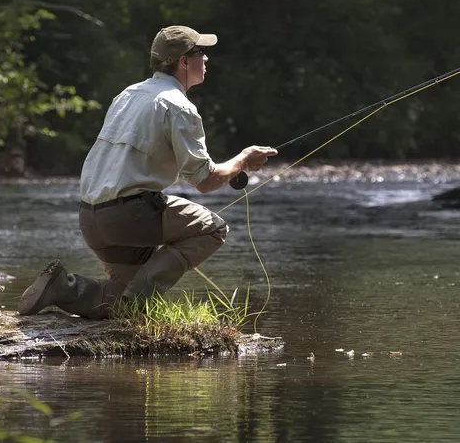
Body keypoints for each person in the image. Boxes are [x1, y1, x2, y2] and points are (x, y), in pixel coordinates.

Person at [17, 25, 276, 319]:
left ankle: (62, 287)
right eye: (201, 52)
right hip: (128, 217)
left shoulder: (127, 94)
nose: (206, 59)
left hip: (89, 218)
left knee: (123, 301)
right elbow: (206, 181)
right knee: (214, 228)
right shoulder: (179, 106)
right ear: (183, 61)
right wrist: (243, 159)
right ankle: (135, 300)